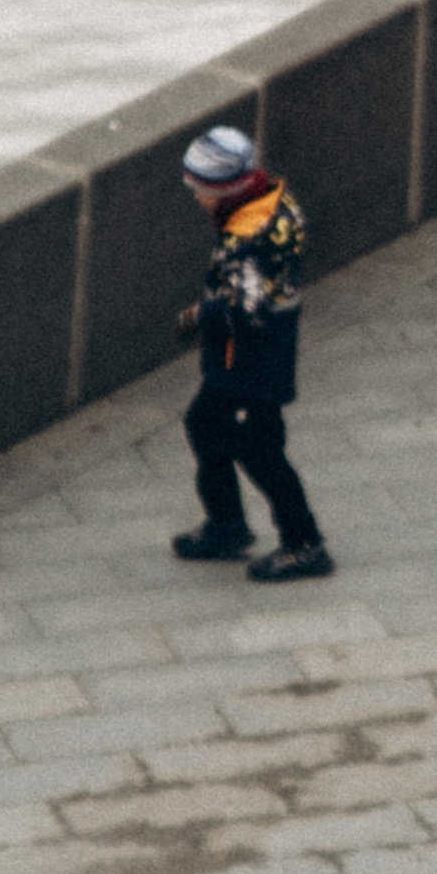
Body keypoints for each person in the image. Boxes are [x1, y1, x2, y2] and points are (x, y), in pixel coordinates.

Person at [170, 124, 334, 580]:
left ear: (226, 190)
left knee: (260, 451)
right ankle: (227, 524)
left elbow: (247, 310)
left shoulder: (249, 239)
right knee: (205, 424)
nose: (196, 197)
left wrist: (199, 316)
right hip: (247, 356)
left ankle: (304, 544)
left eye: (201, 188)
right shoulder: (273, 203)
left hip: (252, 361)